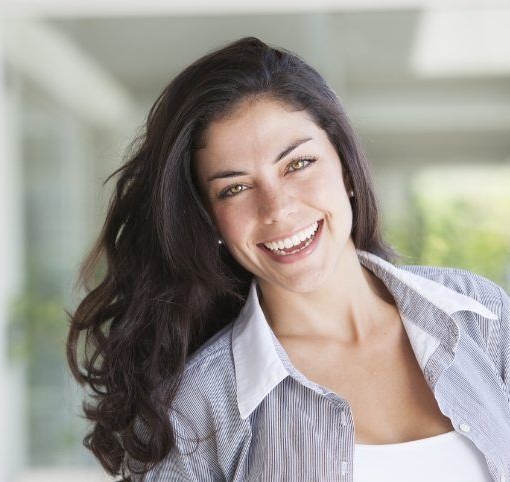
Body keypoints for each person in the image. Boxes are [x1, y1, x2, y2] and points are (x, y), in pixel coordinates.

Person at [66, 36, 510, 481]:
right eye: (234, 188)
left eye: (297, 164)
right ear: (209, 220)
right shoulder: (197, 414)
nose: (276, 208)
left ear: (347, 167)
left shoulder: (479, 316)